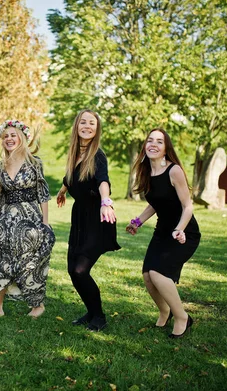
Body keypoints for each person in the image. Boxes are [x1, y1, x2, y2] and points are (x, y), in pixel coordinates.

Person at [0, 120, 55, 318]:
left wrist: (45, 224)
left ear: (22, 138)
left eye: (13, 135)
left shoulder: (35, 163)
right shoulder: (0, 166)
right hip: (7, 217)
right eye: (6, 136)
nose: (9, 139)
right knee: (0, 258)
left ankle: (37, 305)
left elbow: (43, 194)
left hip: (30, 216)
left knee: (31, 262)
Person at [125, 128, 200, 338]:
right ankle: (164, 311)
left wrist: (179, 230)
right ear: (145, 145)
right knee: (148, 275)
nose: (153, 144)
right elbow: (156, 204)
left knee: (159, 274)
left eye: (159, 141)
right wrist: (138, 222)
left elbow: (188, 207)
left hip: (185, 231)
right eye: (150, 140)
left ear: (166, 148)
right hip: (162, 231)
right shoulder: (147, 171)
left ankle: (182, 316)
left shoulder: (174, 171)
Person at [56, 110, 120, 332]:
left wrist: (106, 201)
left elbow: (103, 180)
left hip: (97, 217)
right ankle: (91, 311)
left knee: (81, 270)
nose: (87, 126)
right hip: (79, 217)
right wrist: (63, 189)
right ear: (77, 126)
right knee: (72, 269)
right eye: (83, 122)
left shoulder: (97, 155)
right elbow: (70, 176)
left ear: (96, 129)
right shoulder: (75, 154)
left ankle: (100, 316)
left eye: (91, 123)